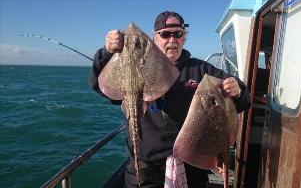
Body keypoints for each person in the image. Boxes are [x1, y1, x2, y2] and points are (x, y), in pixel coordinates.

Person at [89, 11, 250, 188]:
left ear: (184, 37)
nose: (172, 40)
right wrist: (105, 52)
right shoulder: (137, 65)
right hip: (146, 167)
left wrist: (237, 90)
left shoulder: (201, 70)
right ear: (155, 37)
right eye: (165, 34)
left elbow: (242, 101)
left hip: (192, 162)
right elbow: (99, 85)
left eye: (177, 34)